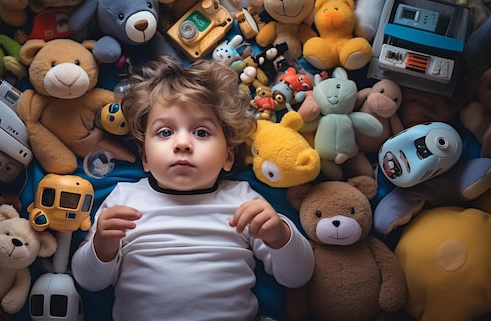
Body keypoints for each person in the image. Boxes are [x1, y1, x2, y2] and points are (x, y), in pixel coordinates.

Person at [71, 57, 315, 321]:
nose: (183, 143)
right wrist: (102, 247)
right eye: (165, 132)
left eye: (201, 132)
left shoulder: (243, 200)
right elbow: (89, 282)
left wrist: (280, 236)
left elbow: (297, 277)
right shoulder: (125, 198)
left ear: (228, 156)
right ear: (144, 158)